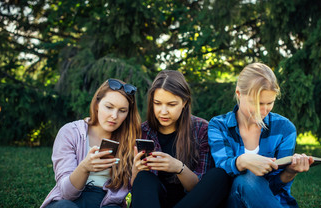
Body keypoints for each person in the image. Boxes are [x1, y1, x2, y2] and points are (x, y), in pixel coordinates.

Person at [208, 62, 314, 208]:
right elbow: (220, 173)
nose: (263, 111)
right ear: (239, 93)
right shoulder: (219, 125)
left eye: (269, 103)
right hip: (232, 201)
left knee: (251, 180)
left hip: (268, 199)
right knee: (245, 178)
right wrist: (243, 161)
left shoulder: (285, 129)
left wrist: (290, 172)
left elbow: (276, 187)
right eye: (257, 103)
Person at [131, 70, 230, 208]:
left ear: (184, 102)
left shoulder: (202, 129)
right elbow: (137, 193)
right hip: (155, 201)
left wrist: (178, 167)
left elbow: (200, 188)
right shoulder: (142, 131)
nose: (163, 111)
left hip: (191, 201)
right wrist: (135, 171)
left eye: (171, 105)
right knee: (143, 178)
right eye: (157, 103)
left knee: (219, 176)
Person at [40, 79, 141, 208]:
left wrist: (137, 173)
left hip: (107, 203)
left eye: (122, 110)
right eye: (109, 107)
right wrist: (85, 167)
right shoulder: (71, 132)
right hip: (68, 202)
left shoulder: (130, 140)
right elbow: (67, 193)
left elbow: (134, 191)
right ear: (97, 104)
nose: (114, 116)